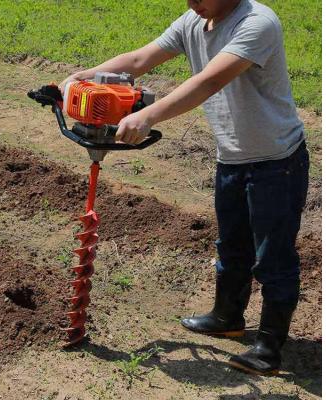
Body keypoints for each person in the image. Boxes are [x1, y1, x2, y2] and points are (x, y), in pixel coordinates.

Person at [59, 0, 309, 376]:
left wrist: (147, 114)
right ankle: (227, 316)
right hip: (232, 156)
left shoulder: (258, 23)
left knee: (272, 257)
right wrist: (81, 77)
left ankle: (269, 349)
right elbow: (140, 60)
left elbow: (207, 81)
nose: (190, 1)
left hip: (276, 162)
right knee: (231, 244)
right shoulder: (196, 19)